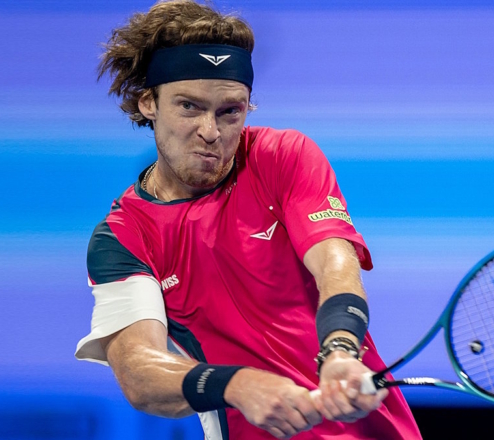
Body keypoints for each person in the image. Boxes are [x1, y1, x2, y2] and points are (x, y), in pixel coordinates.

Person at [74, 1, 422, 439]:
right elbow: (139, 372)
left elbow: (335, 265)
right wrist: (236, 385)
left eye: (230, 111)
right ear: (149, 102)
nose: (211, 131)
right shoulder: (123, 238)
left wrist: (340, 348)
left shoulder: (283, 156)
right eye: (189, 107)